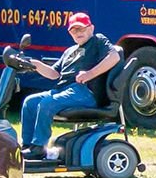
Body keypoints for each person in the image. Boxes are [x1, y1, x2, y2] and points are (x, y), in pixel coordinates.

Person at [19, 13, 120, 158]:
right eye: (74, 30)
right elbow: (54, 73)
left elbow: (114, 57)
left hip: (84, 91)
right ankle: (27, 146)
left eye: (81, 29)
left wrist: (89, 74)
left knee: (47, 103)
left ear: (91, 28)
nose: (78, 33)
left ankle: (38, 147)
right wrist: (34, 64)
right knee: (30, 103)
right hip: (62, 90)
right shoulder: (69, 51)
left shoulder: (98, 41)